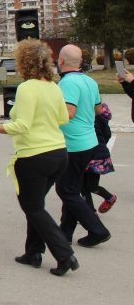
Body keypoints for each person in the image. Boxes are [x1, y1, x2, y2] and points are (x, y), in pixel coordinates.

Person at [0, 39, 77, 277]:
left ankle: (64, 254)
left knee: (32, 206)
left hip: (34, 156)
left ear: (23, 62)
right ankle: (33, 252)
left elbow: (22, 125)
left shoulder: (27, 88)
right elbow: (63, 119)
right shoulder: (53, 86)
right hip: (59, 153)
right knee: (36, 205)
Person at [55, 44, 111, 247]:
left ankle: (97, 230)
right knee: (73, 188)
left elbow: (68, 112)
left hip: (73, 145)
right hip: (89, 142)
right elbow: (98, 109)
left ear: (61, 61)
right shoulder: (89, 81)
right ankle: (65, 233)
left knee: (66, 191)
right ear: (80, 62)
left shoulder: (67, 83)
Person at [81, 103, 116, 213]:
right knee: (89, 185)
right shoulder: (101, 118)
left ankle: (108, 198)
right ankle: (90, 209)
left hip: (90, 154)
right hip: (100, 155)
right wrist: (102, 144)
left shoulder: (87, 117)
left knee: (86, 185)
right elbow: (108, 134)